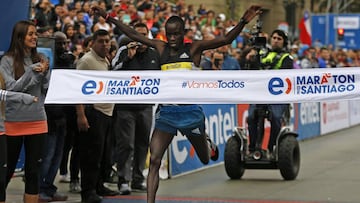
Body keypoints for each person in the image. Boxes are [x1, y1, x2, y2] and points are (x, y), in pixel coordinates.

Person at [92, 5, 261, 203]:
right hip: (167, 114)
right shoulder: (161, 47)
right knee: (154, 160)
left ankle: (205, 141)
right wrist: (108, 17)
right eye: (169, 34)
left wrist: (242, 21)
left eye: (176, 34)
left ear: (183, 34)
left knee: (205, 158)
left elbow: (225, 40)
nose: (172, 38)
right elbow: (131, 33)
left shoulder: (194, 48)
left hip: (191, 114)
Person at [0, 20, 50, 203]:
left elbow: (45, 90)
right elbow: (12, 90)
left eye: (35, 33)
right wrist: (31, 72)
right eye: (30, 34)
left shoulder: (41, 58)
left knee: (33, 172)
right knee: (7, 171)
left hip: (38, 121)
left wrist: (45, 74)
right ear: (19, 37)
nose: (35, 37)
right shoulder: (7, 60)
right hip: (13, 122)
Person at [111, 23, 160, 195]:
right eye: (137, 35)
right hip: (125, 107)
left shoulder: (154, 53)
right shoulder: (124, 50)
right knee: (126, 144)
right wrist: (127, 58)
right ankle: (124, 180)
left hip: (146, 107)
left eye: (144, 35)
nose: (141, 39)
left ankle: (139, 178)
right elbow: (112, 71)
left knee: (142, 144)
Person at [76, 29, 119, 203]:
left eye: (107, 41)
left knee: (103, 155)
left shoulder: (105, 60)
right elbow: (76, 89)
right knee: (91, 156)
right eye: (101, 41)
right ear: (93, 42)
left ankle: (99, 185)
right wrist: (81, 115)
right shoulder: (86, 61)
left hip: (108, 113)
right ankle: (87, 192)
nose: (105, 44)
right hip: (94, 113)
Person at [38, 31, 75, 202]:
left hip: (64, 115)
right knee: (47, 155)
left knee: (58, 156)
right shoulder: (47, 63)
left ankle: (49, 187)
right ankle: (37, 190)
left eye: (64, 43)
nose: (62, 47)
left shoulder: (69, 62)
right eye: (59, 43)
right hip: (49, 115)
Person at [247, 29, 293, 157]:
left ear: (284, 42)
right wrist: (251, 59)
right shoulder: (261, 53)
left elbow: (285, 76)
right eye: (274, 38)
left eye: (279, 39)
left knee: (276, 117)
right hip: (259, 94)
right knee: (251, 117)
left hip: (277, 96)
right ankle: (252, 149)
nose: (276, 40)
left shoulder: (287, 58)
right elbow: (252, 71)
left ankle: (271, 147)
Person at [0, 72, 38, 203]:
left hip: (1, 133)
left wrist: (23, 97)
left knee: (1, 178)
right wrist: (23, 97)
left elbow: (4, 94)